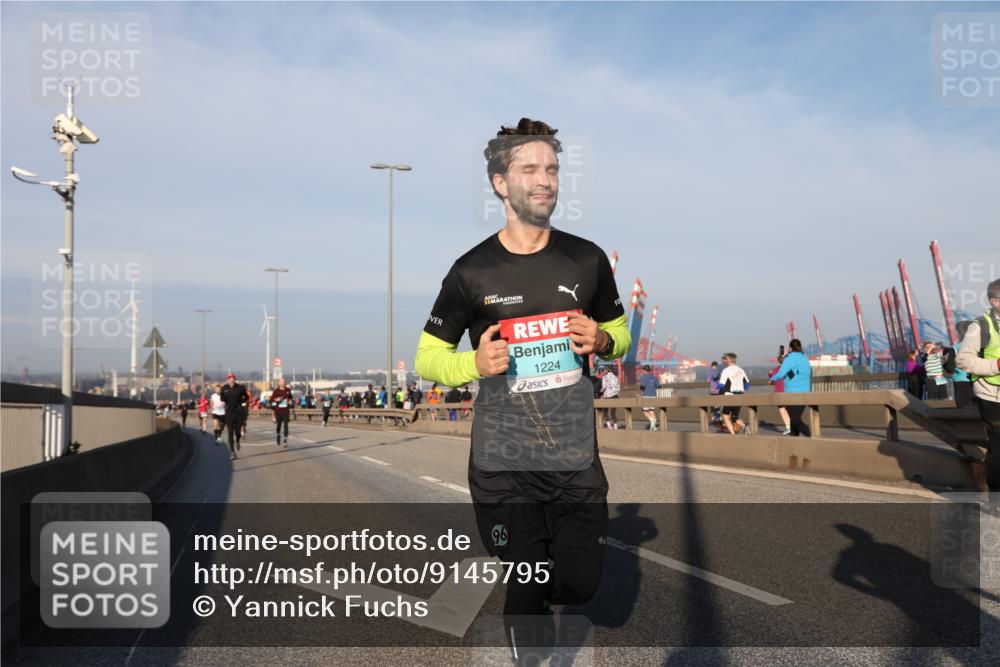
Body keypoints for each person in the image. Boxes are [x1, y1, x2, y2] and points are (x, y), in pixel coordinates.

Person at [414, 118, 631, 663]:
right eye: (530, 168)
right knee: (528, 583)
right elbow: (428, 358)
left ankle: (539, 594)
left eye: (552, 169)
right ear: (498, 183)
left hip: (573, 453)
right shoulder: (471, 271)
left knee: (580, 586)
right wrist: (474, 362)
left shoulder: (587, 258)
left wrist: (602, 338)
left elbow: (622, 335)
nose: (545, 180)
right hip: (502, 457)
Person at [955, 279, 1000, 495]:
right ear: (995, 301)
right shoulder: (979, 326)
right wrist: (995, 365)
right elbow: (963, 360)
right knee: (999, 446)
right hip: (991, 393)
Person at [769, 338, 813, 436]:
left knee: (795, 420)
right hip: (805, 393)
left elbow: (781, 373)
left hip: (792, 394)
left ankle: (813, 436)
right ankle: (794, 442)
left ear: (790, 348)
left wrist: (772, 379)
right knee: (794, 421)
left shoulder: (790, 359)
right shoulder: (804, 358)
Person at [718, 353, 750, 435]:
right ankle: (745, 427)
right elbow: (747, 384)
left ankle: (733, 434)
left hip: (729, 395)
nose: (724, 360)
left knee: (725, 415)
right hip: (740, 395)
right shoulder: (741, 370)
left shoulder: (726, 370)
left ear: (728, 359)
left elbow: (721, 385)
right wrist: (743, 390)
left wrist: (720, 391)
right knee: (734, 417)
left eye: (725, 359)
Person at [219, 372, 249, 459]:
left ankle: (238, 440)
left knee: (238, 432)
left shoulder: (240, 388)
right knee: (230, 432)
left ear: (234, 379)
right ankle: (232, 451)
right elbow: (222, 398)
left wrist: (241, 401)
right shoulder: (224, 388)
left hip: (239, 412)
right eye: (229, 378)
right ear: (227, 380)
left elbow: (246, 397)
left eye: (232, 378)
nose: (231, 380)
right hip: (229, 413)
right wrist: (225, 399)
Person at [951, 321, 975, 408]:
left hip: (960, 381)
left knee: (962, 409)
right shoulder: (979, 346)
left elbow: (950, 368)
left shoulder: (955, 348)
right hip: (977, 380)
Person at [769, 354, 792, 435]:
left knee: (782, 409)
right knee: (790, 409)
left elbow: (772, 382)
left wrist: (770, 375)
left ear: (778, 361)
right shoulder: (789, 369)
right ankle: (794, 426)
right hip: (789, 391)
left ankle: (788, 427)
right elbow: (793, 379)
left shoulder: (775, 370)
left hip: (779, 391)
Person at [271, 377, 293, 446]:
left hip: (286, 411)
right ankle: (278, 435)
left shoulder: (288, 390)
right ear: (279, 383)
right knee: (279, 425)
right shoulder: (276, 391)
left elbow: (290, 398)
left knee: (286, 426)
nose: (284, 383)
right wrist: (277, 400)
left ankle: (285, 440)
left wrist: (290, 401)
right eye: (282, 382)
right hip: (278, 411)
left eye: (284, 382)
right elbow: (272, 400)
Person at [639, 365, 659, 431]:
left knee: (644, 410)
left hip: (646, 395)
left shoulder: (643, 377)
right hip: (653, 395)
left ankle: (652, 421)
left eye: (643, 370)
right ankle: (654, 426)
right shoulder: (654, 377)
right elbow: (658, 386)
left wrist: (640, 394)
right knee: (651, 410)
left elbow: (642, 386)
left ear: (644, 370)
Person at [707, 360, 723, 424]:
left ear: (711, 366)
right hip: (719, 390)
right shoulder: (719, 372)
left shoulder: (710, 372)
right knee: (718, 403)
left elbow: (708, 381)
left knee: (713, 403)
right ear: (717, 366)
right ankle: (718, 416)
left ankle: (716, 416)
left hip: (713, 390)